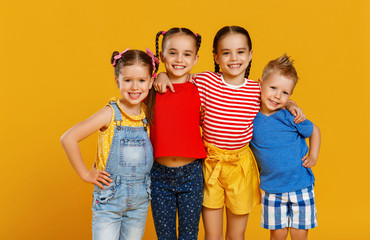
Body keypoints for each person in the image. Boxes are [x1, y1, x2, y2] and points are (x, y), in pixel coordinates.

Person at [154, 26, 305, 240]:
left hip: (240, 167)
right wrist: (160, 73)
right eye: (226, 52)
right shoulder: (204, 81)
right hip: (210, 164)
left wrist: (290, 103)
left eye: (240, 51)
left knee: (236, 235)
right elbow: (178, 74)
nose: (234, 58)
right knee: (212, 235)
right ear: (216, 56)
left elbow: (276, 96)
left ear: (250, 54)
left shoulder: (257, 90)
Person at [60, 48, 158, 240]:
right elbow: (68, 138)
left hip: (139, 201)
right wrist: (85, 173)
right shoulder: (110, 113)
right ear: (117, 81)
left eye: (141, 80)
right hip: (109, 200)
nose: (134, 87)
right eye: (128, 80)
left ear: (151, 82)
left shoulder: (149, 114)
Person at [250, 54, 321, 240]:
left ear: (290, 95)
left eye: (284, 93)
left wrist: (313, 155)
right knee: (278, 235)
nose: (277, 96)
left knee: (299, 234)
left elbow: (314, 130)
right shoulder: (249, 117)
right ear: (260, 84)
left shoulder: (290, 116)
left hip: (301, 186)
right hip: (272, 189)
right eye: (273, 88)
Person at [149, 27, 207, 240]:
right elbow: (130, 88)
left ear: (195, 59)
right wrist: (159, 74)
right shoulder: (152, 89)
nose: (179, 59)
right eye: (172, 53)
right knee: (165, 236)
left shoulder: (201, 88)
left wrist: (289, 102)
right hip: (158, 175)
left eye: (186, 54)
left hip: (191, 175)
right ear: (162, 56)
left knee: (189, 235)